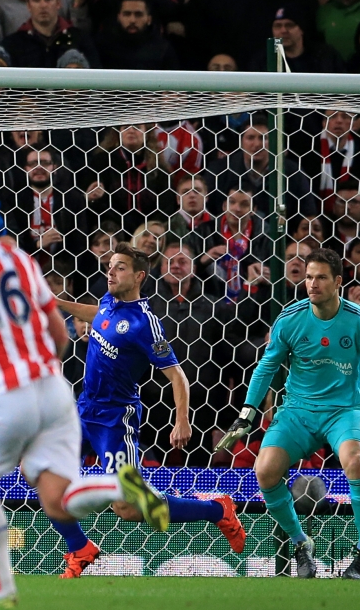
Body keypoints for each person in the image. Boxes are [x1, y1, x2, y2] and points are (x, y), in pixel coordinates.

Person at [0, 191, 168, 606]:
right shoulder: (19, 260)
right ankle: (117, 487)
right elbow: (59, 335)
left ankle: (3, 589)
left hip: (1, 392)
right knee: (56, 497)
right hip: (54, 390)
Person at [216, 248, 360, 579]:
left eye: (321, 277)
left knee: (356, 463)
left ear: (338, 281)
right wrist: (247, 413)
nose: (312, 283)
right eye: (308, 277)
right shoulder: (290, 319)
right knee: (264, 472)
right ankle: (300, 544)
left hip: (345, 412)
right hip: (297, 411)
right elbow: (267, 366)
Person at [54, 243, 244, 576]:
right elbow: (97, 317)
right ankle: (80, 548)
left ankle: (217, 510)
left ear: (139, 276)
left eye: (120, 267)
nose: (111, 272)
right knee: (40, 473)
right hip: (83, 413)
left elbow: (177, 375)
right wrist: (52, 303)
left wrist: (181, 420)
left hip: (116, 420)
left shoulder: (145, 323)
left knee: (128, 509)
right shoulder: (109, 303)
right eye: (110, 265)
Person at [1, 0, 99, 69]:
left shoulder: (80, 39)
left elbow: (96, 80)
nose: (43, 5)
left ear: (58, 3)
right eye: (36, 0)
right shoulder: (13, 44)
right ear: (29, 6)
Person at [247, 4, 344, 73]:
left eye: (289, 25)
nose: (283, 30)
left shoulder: (325, 56)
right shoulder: (262, 61)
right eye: (277, 26)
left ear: (301, 29)